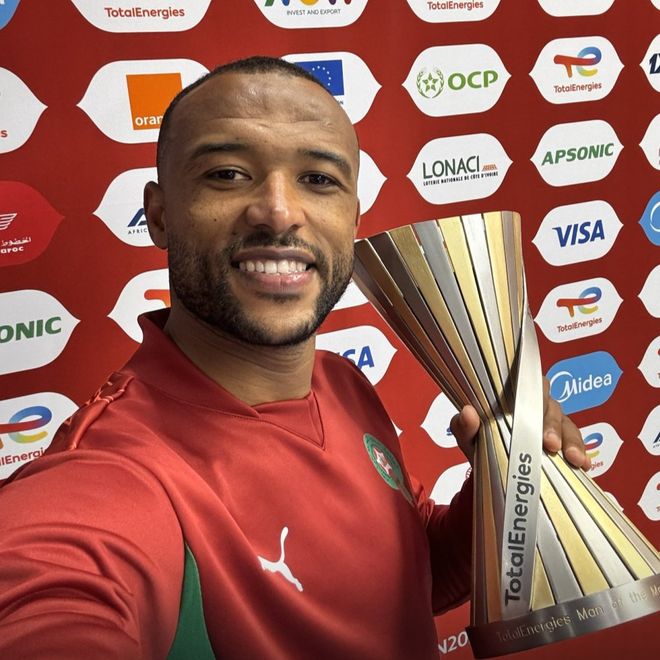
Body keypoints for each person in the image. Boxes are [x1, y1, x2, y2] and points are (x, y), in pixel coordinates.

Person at [0, 57, 589, 659]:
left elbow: (412, 576)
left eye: (318, 179)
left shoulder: (342, 381)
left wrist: (508, 478)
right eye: (227, 174)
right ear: (159, 215)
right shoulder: (109, 476)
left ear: (352, 217)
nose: (279, 212)